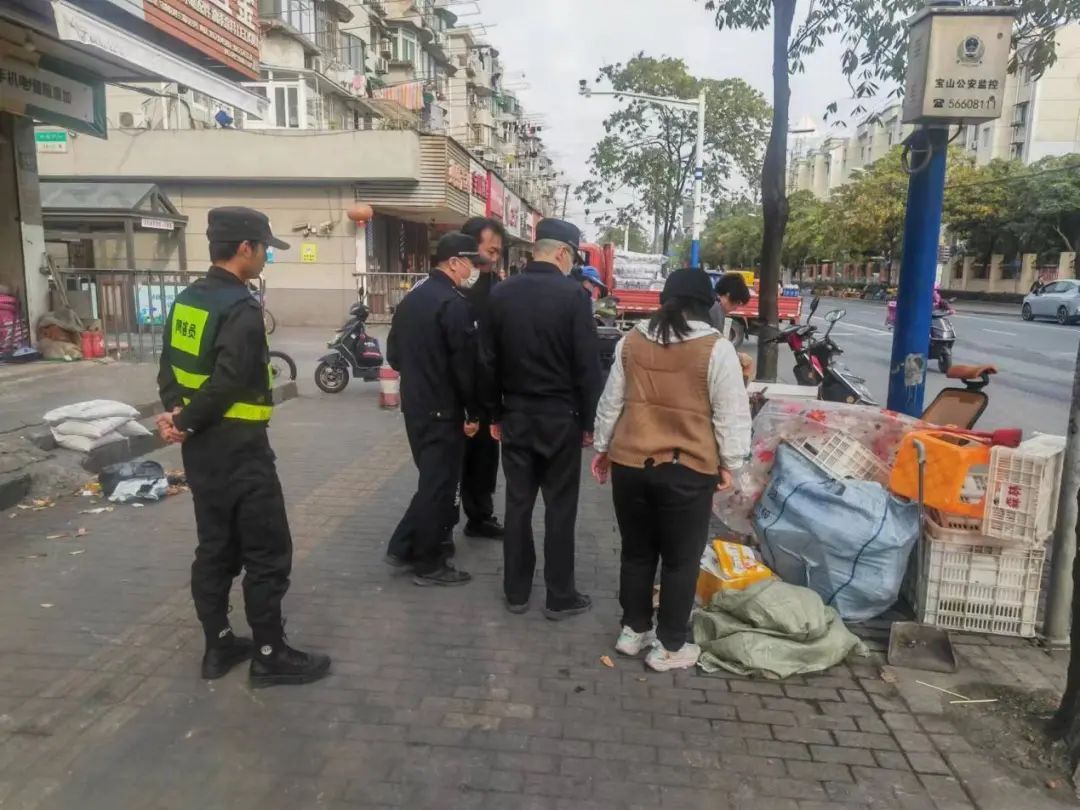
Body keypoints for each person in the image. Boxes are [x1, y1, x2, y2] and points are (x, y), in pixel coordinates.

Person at [157, 206, 330, 687]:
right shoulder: (241, 308)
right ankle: (270, 655)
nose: (266, 258)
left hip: (202, 452)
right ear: (244, 248)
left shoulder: (188, 299)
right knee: (268, 551)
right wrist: (184, 421)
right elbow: (229, 381)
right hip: (241, 451)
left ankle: (218, 647)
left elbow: (169, 366)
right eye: (264, 250)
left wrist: (177, 416)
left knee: (215, 547)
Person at [591, 268, 752, 672]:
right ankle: (669, 645)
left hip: (630, 465)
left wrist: (602, 448)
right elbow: (731, 414)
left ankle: (633, 631)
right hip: (687, 470)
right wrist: (731, 464)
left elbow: (611, 402)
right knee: (681, 560)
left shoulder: (631, 341)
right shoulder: (717, 349)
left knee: (637, 552)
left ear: (665, 300)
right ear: (705, 305)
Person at [484, 219, 604, 619]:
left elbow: (486, 361)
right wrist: (589, 423)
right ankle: (559, 596)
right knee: (560, 508)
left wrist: (494, 413)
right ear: (563, 253)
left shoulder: (501, 293)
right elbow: (587, 366)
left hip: (516, 415)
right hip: (560, 419)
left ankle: (516, 592)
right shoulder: (574, 297)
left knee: (518, 504)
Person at [384, 232, 490, 586]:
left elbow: (394, 355)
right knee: (440, 486)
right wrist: (473, 411)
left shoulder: (412, 299)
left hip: (415, 406)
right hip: (444, 410)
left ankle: (402, 546)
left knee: (431, 481)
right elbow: (465, 367)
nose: (473, 270)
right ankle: (429, 563)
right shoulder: (453, 304)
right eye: (471, 263)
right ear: (454, 262)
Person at [459, 217, 508, 540]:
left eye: (498, 251)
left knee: (486, 458)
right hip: (460, 391)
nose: (494, 257)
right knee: (459, 461)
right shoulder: (456, 289)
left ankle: (480, 515)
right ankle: (441, 524)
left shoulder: (498, 287)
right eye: (490, 250)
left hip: (488, 390)